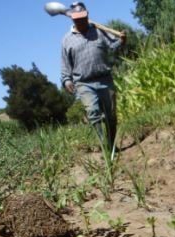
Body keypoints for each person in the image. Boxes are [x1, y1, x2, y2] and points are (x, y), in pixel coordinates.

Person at [60, 2, 126, 158]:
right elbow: (65, 64)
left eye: (83, 18)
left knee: (111, 116)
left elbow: (114, 47)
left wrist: (122, 41)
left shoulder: (99, 32)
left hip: (105, 79)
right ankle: (104, 145)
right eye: (77, 19)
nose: (80, 21)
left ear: (87, 15)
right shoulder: (67, 40)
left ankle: (111, 146)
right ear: (72, 19)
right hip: (83, 82)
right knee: (93, 112)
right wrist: (66, 80)